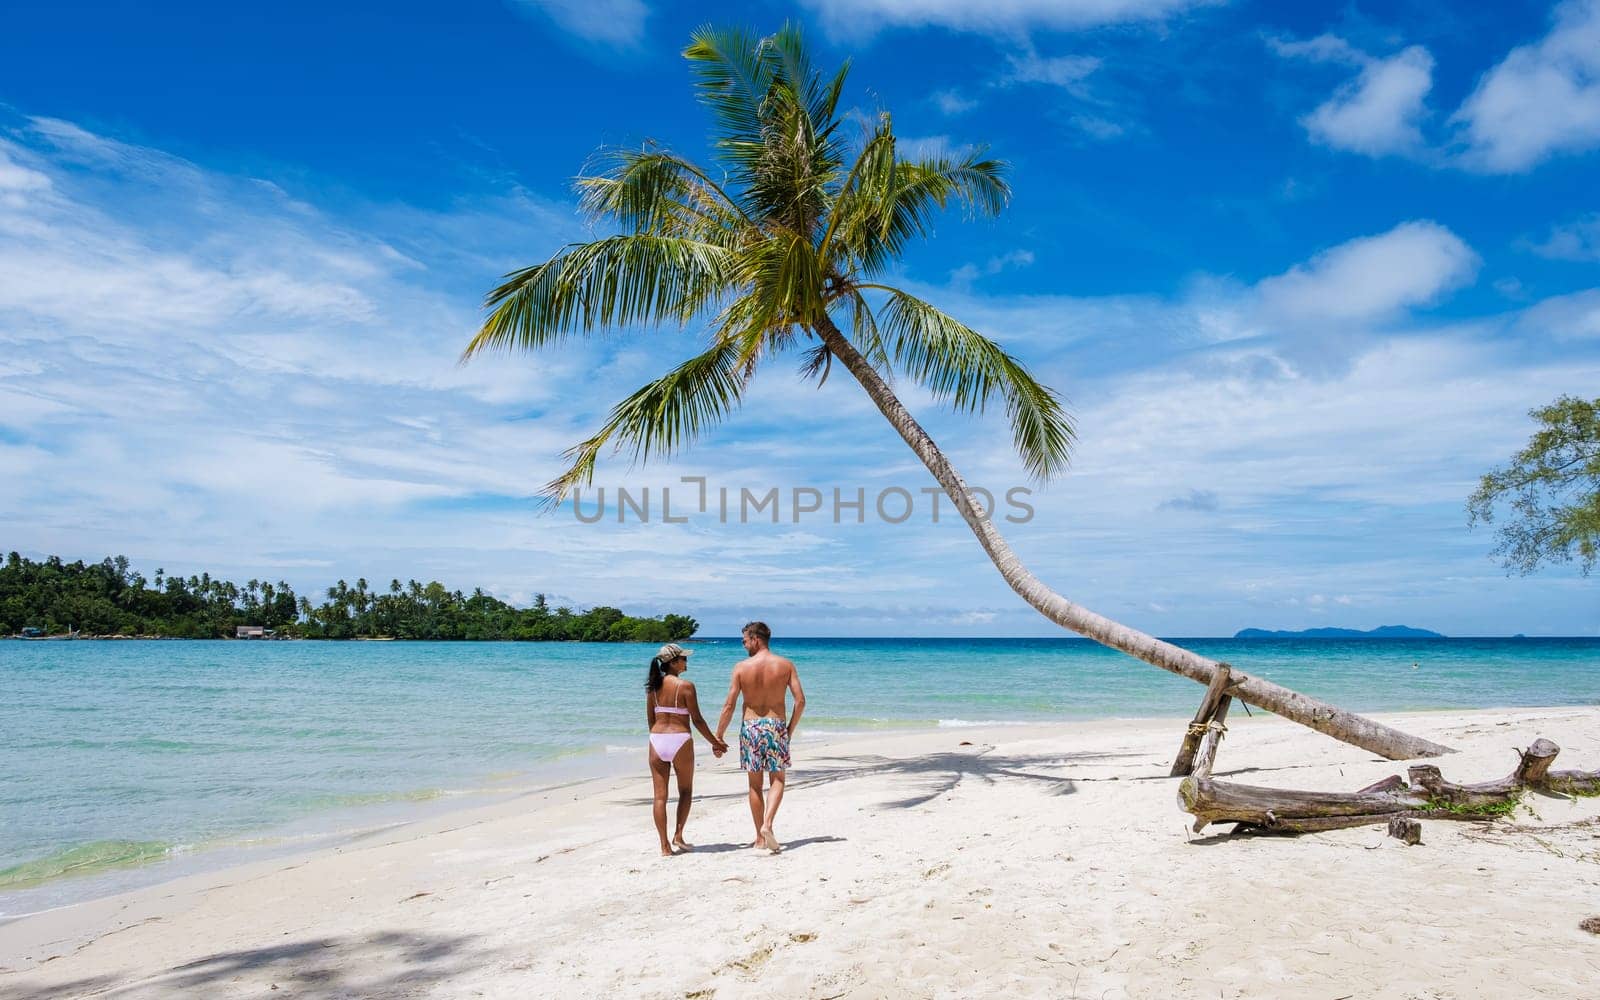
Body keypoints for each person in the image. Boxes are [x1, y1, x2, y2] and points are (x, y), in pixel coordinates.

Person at [715, 621, 805, 853]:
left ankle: (759, 838)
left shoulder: (741, 668)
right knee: (778, 779)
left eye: (745, 640)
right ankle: (768, 824)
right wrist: (789, 730)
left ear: (756, 638)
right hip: (776, 725)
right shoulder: (785, 665)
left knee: (755, 785)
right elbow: (800, 701)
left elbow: (729, 705)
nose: (743, 645)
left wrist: (719, 736)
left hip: (750, 726)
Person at [645, 643, 726, 857]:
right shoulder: (686, 686)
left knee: (659, 796)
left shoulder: (652, 688)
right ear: (673, 663)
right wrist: (715, 743)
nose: (686, 662)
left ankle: (664, 846)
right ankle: (678, 835)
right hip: (680, 739)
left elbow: (650, 720)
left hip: (657, 739)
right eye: (684, 658)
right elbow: (697, 720)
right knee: (686, 791)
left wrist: (657, 738)